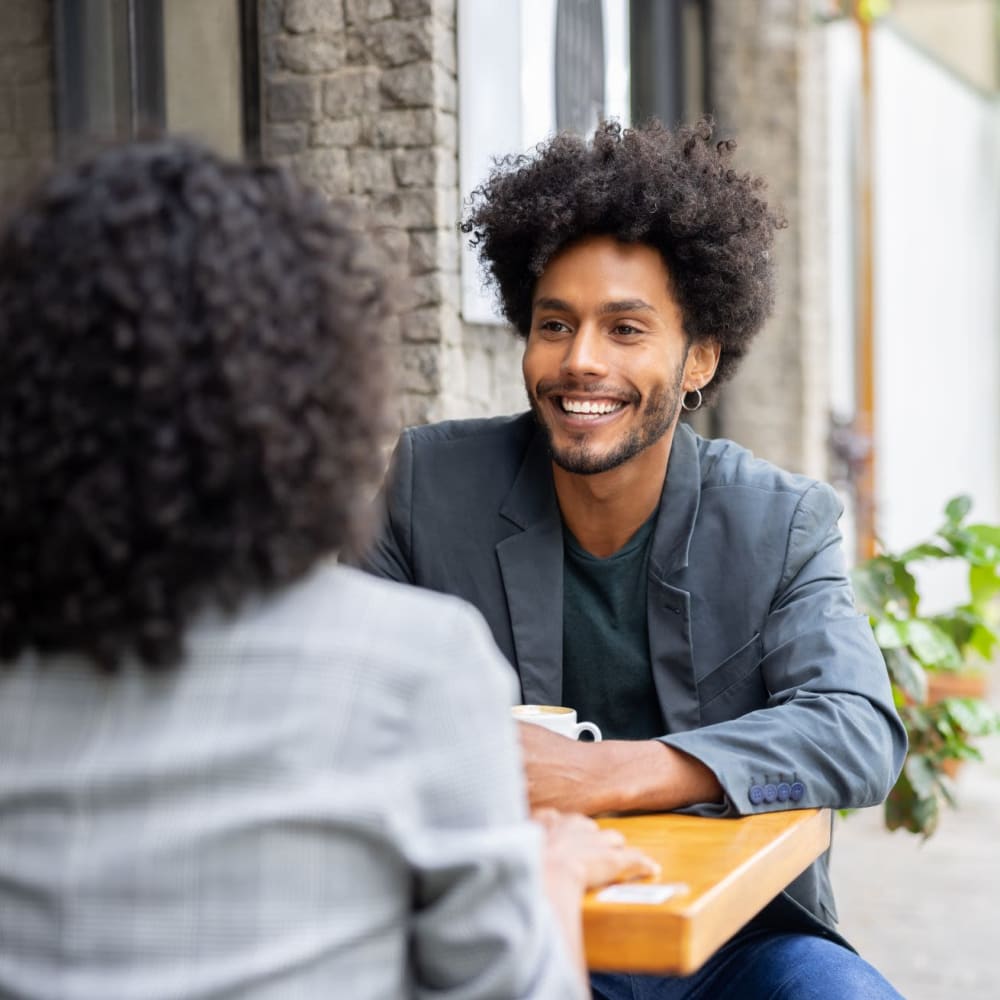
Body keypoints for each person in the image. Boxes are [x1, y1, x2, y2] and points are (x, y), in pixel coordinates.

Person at [0, 137, 658, 999]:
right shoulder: (414, 665)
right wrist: (554, 877)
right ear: (312, 390)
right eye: (556, 323)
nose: (580, 358)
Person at [357, 119, 909, 998]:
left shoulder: (778, 520)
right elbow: (335, 695)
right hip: (497, 924)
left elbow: (857, 729)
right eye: (554, 324)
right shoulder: (433, 484)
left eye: (625, 330)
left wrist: (606, 773)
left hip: (736, 942)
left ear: (699, 358)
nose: (580, 362)